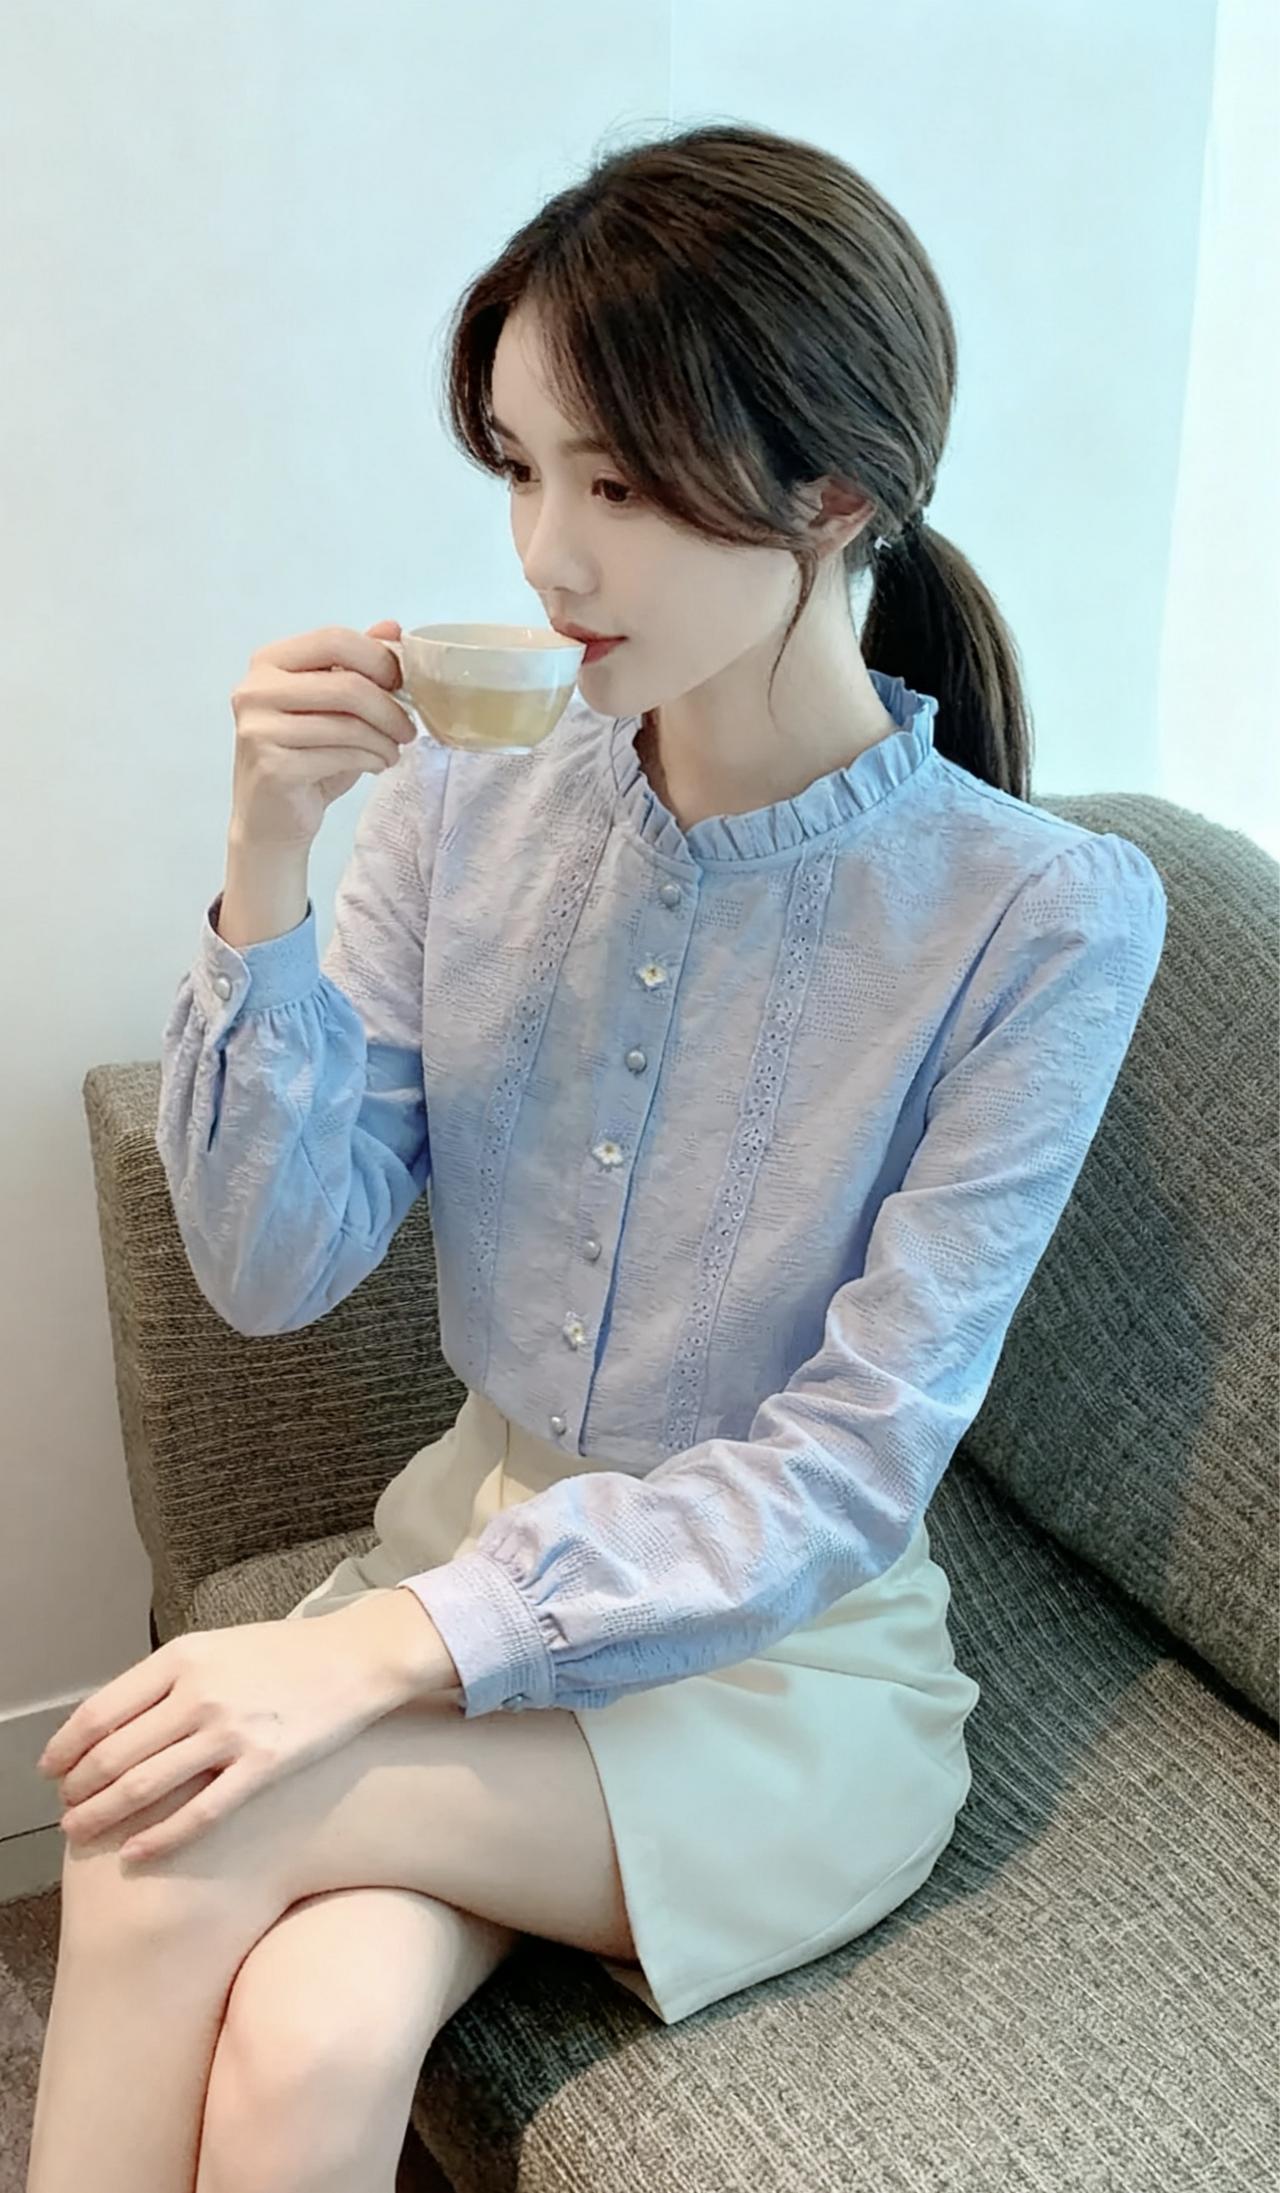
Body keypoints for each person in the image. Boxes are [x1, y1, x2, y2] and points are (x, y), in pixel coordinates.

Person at [29, 117, 1170, 2193]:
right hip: (464, 1556)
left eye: (619, 484)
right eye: (521, 468)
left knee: (151, 1817)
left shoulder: (1040, 915)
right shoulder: (469, 803)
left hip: (781, 1667)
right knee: (307, 2037)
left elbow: (850, 1461)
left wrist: (362, 1654)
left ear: (833, 495)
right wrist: (267, 859)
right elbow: (276, 1265)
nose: (547, 557)